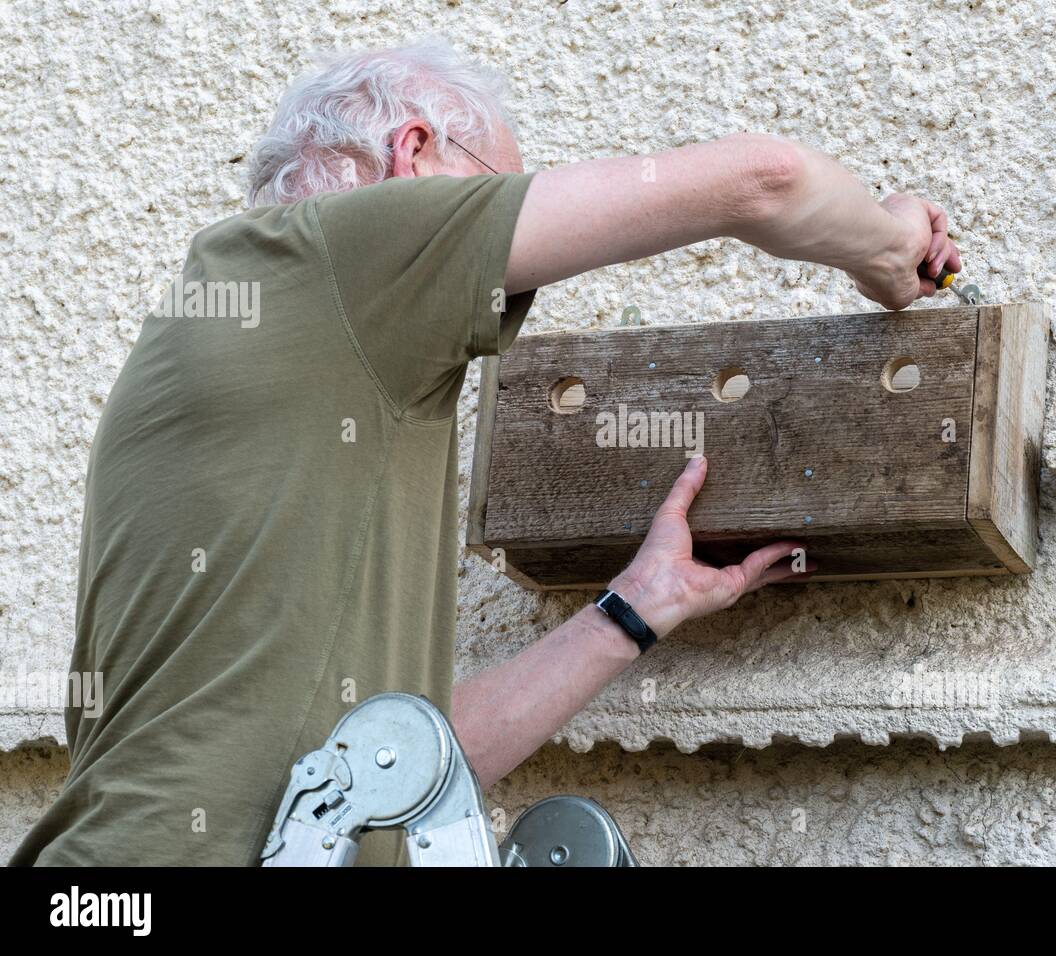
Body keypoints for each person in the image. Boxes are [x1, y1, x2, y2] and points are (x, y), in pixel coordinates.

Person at [12, 38, 961, 865]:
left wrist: (634, 610)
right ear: (411, 154)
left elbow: (402, 768)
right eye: (494, 189)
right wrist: (886, 245)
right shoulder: (326, 255)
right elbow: (765, 177)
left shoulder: (278, 346)